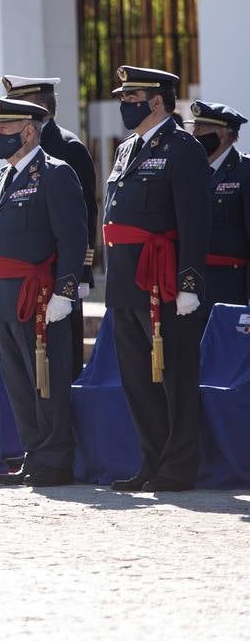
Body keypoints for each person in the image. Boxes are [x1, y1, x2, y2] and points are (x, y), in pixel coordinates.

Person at [103, 65, 208, 492]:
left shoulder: (183, 148)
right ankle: (151, 461)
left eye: (132, 98)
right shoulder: (128, 148)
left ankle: (178, 467)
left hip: (164, 282)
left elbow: (196, 221)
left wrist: (189, 283)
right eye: (124, 98)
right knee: (138, 380)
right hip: (127, 283)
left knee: (176, 377)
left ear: (157, 101)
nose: (125, 105)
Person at [0, 98, 86, 488]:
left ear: (27, 130)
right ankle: (34, 453)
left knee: (46, 376)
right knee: (18, 378)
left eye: (4, 128)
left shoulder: (55, 173)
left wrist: (66, 291)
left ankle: (55, 459)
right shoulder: (1, 176)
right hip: (5, 291)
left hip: (40, 293)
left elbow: (73, 237)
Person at [1, 75, 97, 378]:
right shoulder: (17, 148)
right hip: (25, 274)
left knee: (60, 360)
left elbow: (85, 214)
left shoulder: (67, 147)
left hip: (57, 271)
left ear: (37, 107)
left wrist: (80, 273)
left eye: (16, 106)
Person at [189, 101, 250, 305]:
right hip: (192, 287)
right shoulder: (191, 171)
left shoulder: (244, 171)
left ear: (223, 133)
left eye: (201, 128)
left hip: (230, 288)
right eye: (194, 127)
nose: (194, 134)